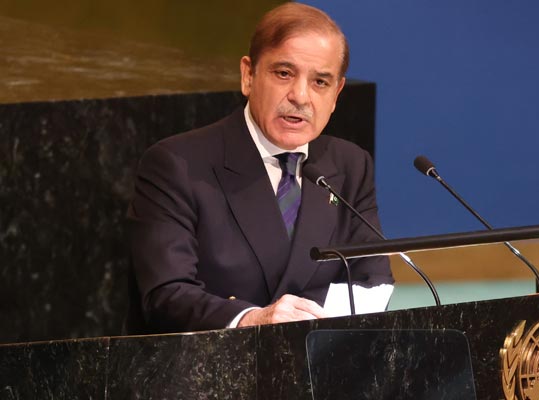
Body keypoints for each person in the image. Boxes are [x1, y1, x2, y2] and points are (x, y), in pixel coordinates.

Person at [126, 3, 394, 334]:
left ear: (337, 93)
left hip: (318, 367)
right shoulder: (178, 164)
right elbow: (166, 294)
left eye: (320, 82)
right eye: (283, 73)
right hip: (214, 371)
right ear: (248, 75)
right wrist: (252, 319)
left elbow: (372, 278)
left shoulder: (350, 164)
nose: (300, 96)